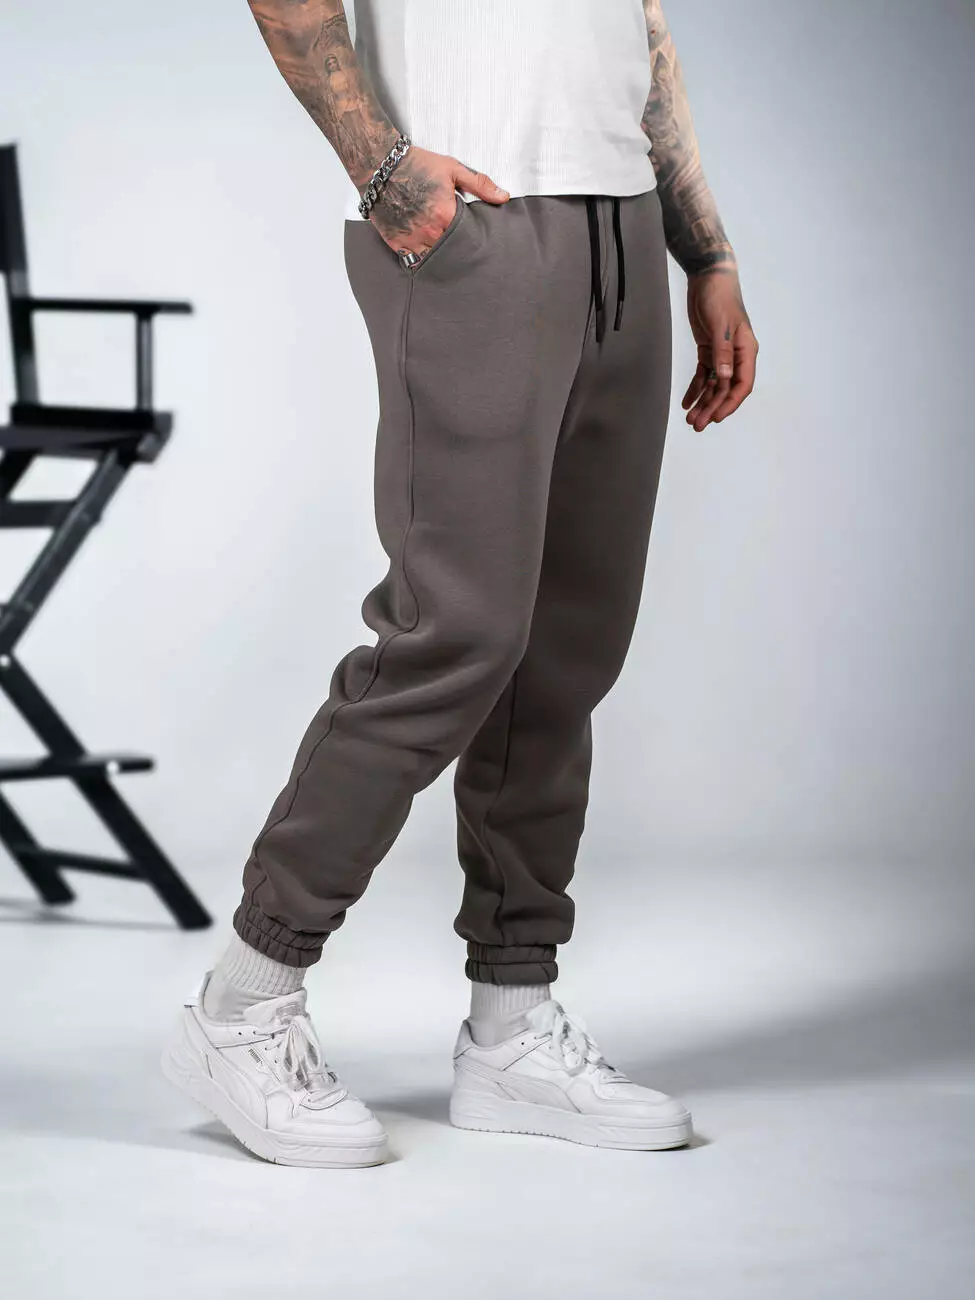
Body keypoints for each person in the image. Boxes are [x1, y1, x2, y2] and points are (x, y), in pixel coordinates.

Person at [162, 0, 759, 1168]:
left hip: (624, 225)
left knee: (564, 649)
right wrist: (385, 174)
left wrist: (708, 251)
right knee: (457, 631)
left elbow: (639, 25)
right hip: (472, 216)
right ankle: (244, 1001)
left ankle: (512, 1024)